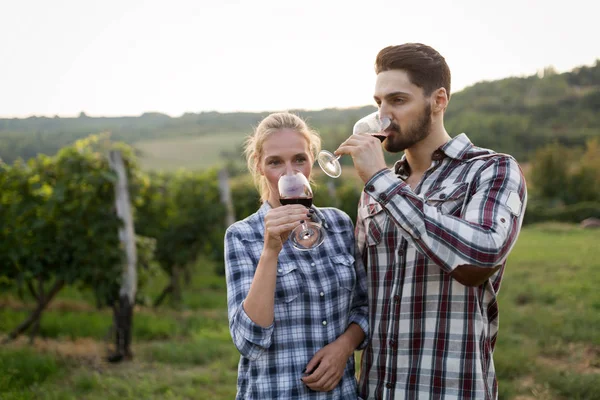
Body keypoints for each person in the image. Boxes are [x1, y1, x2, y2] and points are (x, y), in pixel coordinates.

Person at [336, 43, 528, 400]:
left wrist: (380, 180)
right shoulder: (377, 189)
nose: (384, 116)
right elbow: (360, 292)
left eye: (398, 100)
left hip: (450, 390)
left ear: (438, 100)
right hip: (376, 391)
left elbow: (480, 256)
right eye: (379, 103)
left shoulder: (492, 169)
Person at [224, 112, 369, 399]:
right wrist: (270, 251)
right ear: (259, 166)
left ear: (312, 161)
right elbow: (250, 342)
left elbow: (365, 308)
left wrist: (343, 348)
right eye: (275, 162)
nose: (290, 173)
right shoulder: (242, 236)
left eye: (299, 159)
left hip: (340, 393)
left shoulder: (339, 224)